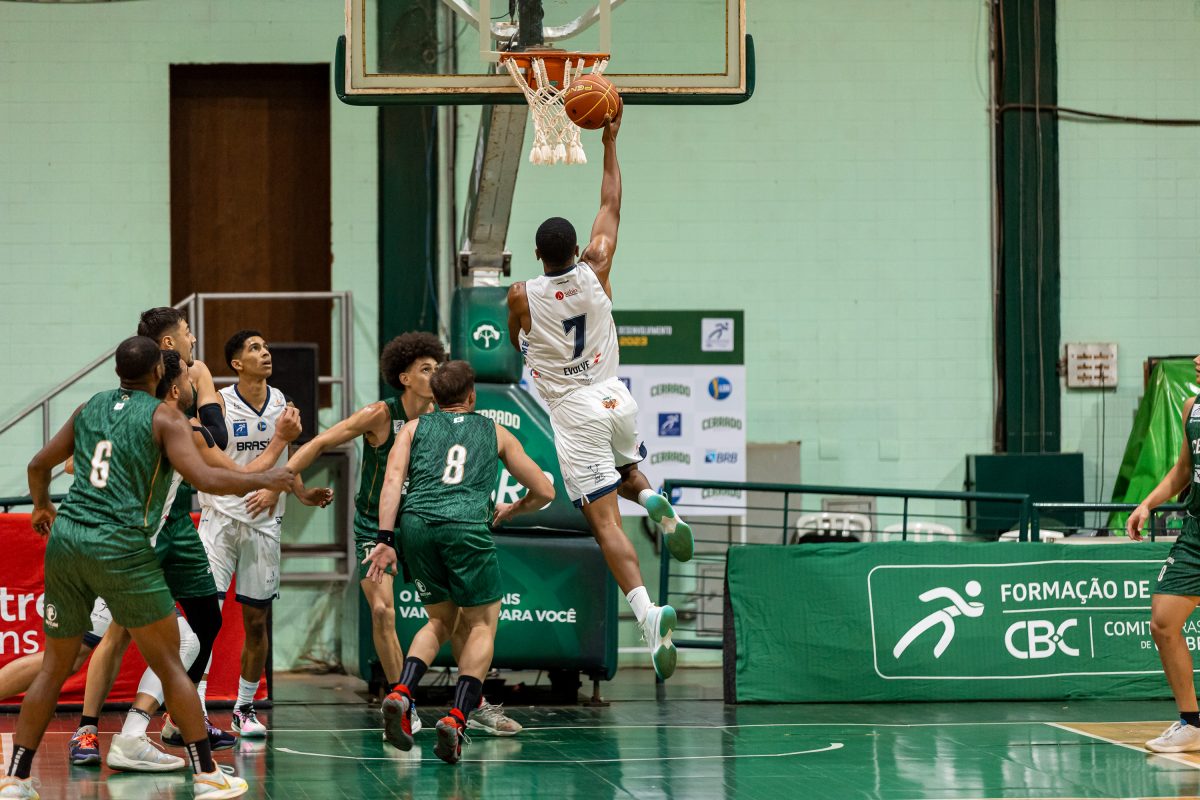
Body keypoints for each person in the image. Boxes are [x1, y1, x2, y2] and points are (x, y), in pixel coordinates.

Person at [0, 336, 292, 800]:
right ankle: (207, 774)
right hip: (121, 546)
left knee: (54, 668)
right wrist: (265, 476)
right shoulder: (164, 417)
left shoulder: (89, 407)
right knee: (172, 663)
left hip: (68, 541)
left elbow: (39, 465)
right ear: (159, 372)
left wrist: (40, 507)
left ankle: (15, 779)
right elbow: (206, 477)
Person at [504, 105, 693, 679]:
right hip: (616, 398)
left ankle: (648, 614)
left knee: (604, 523)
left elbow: (516, 337)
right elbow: (611, 204)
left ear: (538, 254)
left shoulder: (521, 294)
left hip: (574, 410)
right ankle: (654, 500)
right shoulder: (598, 267)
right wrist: (609, 142)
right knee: (625, 471)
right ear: (577, 250)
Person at [70, 350, 302, 771]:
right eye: (187, 337)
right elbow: (219, 474)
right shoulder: (168, 423)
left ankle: (169, 728)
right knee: (88, 649)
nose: (195, 351)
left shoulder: (137, 413)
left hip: (151, 536)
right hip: (128, 546)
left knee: (197, 631)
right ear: (170, 375)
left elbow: (54, 464)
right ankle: (114, 732)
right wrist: (275, 461)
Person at [286, 333, 521, 737]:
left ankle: (473, 704)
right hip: (377, 524)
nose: (434, 374)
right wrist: (290, 483)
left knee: (458, 621)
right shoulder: (381, 414)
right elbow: (322, 440)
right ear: (404, 378)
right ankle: (403, 704)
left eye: (437, 368)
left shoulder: (444, 421)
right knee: (382, 611)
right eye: (425, 369)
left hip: (423, 523)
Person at [363, 361, 554, 764]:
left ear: (434, 397)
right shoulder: (495, 431)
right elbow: (544, 490)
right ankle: (457, 717)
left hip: (417, 525)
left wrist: (385, 539)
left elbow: (392, 482)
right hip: (466, 525)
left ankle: (402, 692)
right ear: (471, 396)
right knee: (481, 625)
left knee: (439, 621)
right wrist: (515, 508)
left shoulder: (413, 428)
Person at [196, 330, 330, 739]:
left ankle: (243, 708)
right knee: (206, 619)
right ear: (237, 363)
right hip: (220, 519)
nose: (266, 352)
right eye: (255, 348)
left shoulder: (281, 402)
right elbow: (213, 461)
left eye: (266, 347)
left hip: (264, 523)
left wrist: (300, 493)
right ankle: (196, 707)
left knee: (256, 623)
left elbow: (288, 458)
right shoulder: (219, 403)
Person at [1128, 356, 1200, 753]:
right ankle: (1192, 723)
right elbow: (1183, 469)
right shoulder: (1192, 407)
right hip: (1195, 534)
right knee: (1164, 622)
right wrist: (1147, 504)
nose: (1197, 360)